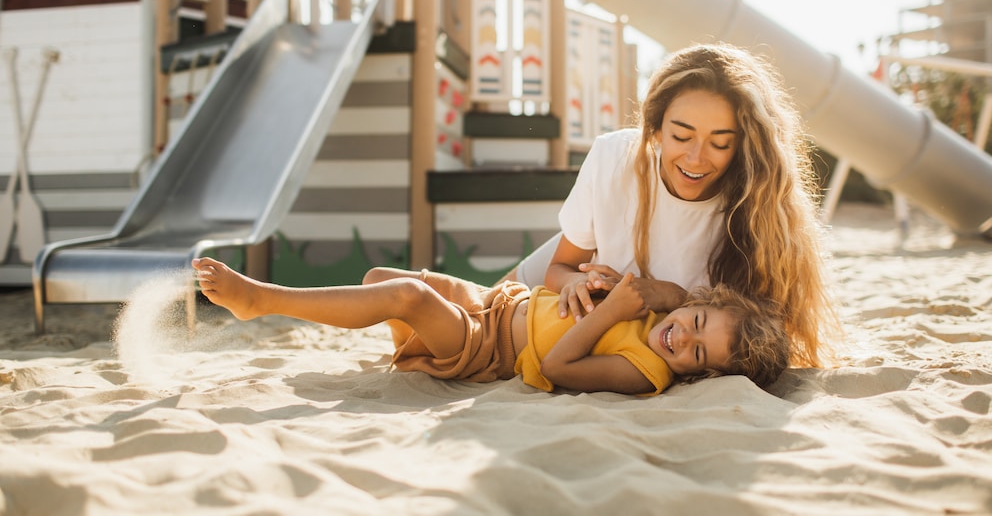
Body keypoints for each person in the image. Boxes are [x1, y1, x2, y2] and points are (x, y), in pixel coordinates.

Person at [503, 43, 840, 368]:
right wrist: (574, 283)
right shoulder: (613, 154)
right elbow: (559, 269)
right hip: (586, 260)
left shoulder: (754, 210)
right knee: (481, 305)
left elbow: (753, 336)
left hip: (616, 340)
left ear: (742, 146)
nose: (696, 159)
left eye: (720, 143)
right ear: (656, 128)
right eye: (681, 136)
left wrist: (673, 296)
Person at [192, 256, 789, 395]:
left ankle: (260, 299)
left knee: (404, 295)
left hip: (492, 348)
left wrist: (609, 312)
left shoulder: (647, 372)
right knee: (379, 278)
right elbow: (672, 295)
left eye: (697, 354)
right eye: (698, 321)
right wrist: (591, 284)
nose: (683, 338)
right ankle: (411, 331)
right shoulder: (669, 309)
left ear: (696, 374)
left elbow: (558, 367)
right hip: (499, 300)